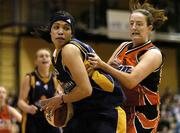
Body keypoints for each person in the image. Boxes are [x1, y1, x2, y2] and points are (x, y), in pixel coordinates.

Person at [37, 10, 126, 133]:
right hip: (86, 110)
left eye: (66, 28)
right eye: (56, 27)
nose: (61, 31)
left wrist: (61, 99)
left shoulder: (69, 50)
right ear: (50, 32)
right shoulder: (56, 54)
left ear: (72, 33)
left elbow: (86, 90)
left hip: (104, 111)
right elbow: (66, 82)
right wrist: (59, 94)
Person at [87, 0, 168, 132]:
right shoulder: (123, 46)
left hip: (142, 112)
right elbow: (106, 78)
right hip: (120, 107)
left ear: (150, 28)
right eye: (132, 24)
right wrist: (103, 67)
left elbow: (131, 81)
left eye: (139, 24)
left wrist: (104, 65)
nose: (134, 27)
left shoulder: (153, 53)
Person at [17, 49, 61, 133]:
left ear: (51, 61)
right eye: (41, 56)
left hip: (50, 118)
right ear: (36, 62)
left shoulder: (55, 78)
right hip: (32, 119)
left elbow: (58, 98)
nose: (44, 58)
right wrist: (28, 108)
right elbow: (20, 101)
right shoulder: (30, 78)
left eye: (47, 56)